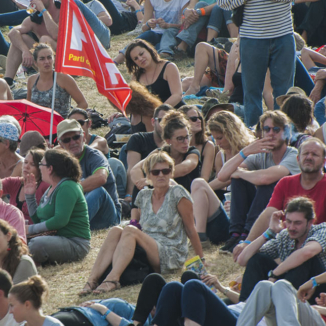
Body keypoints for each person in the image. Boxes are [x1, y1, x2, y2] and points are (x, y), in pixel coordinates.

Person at [81, 151, 203, 295]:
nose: (161, 175)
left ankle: (112, 279)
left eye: (166, 171)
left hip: (170, 252)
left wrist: (201, 259)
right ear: (148, 175)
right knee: (116, 230)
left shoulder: (178, 193)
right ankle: (92, 280)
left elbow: (190, 229)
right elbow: (135, 224)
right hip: (147, 249)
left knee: (130, 230)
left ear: (171, 172)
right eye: (156, 172)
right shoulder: (143, 196)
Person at [218, 0, 304, 127]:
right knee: (252, 92)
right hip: (252, 38)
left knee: (283, 92)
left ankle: (284, 132)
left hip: (282, 35)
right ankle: (254, 133)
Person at [219, 110, 301, 251]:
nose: (270, 133)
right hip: (263, 209)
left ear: (286, 132)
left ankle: (247, 235)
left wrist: (241, 172)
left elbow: (265, 178)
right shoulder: (260, 155)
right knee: (238, 179)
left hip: (286, 211)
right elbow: (222, 176)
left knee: (266, 184)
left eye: (276, 129)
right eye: (266, 129)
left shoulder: (293, 154)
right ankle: (236, 234)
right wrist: (246, 151)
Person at [26, 147, 91, 265]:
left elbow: (60, 220)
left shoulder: (67, 186)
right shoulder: (51, 188)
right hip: (55, 238)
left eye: (41, 164)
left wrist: (30, 229)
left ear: (50, 169)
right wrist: (30, 197)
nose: (40, 167)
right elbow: (38, 220)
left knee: (36, 245)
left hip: (75, 243)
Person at [57, 119, 121, 230]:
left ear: (84, 137)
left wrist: (70, 190)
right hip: (83, 215)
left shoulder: (95, 155)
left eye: (76, 137)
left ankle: (70, 228)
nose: (73, 142)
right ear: (60, 144)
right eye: (67, 140)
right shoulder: (59, 161)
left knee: (98, 191)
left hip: (108, 216)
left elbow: (101, 178)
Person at [26, 44, 87, 118]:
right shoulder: (32, 80)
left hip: (60, 126)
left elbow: (83, 103)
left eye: (49, 57)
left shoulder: (63, 78)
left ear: (53, 59)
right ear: (35, 63)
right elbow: (28, 107)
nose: (47, 62)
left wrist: (69, 120)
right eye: (42, 59)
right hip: (39, 124)